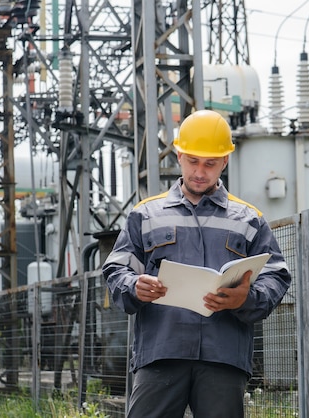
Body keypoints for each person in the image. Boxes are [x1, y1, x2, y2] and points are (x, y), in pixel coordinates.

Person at [102, 109, 292, 418]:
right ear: (178, 155)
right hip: (161, 352)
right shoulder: (145, 214)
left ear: (224, 162)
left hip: (223, 356)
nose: (200, 172)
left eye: (210, 164)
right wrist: (135, 285)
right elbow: (116, 269)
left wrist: (247, 298)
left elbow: (277, 276)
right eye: (192, 161)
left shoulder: (248, 219)